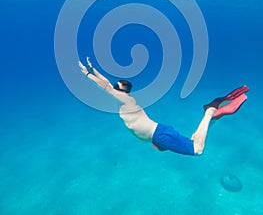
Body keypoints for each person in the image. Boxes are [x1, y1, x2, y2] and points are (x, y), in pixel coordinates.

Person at [78, 58, 249, 156]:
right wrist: (93, 68)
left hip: (159, 135)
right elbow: (107, 83)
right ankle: (212, 117)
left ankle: (209, 112)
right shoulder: (123, 98)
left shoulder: (126, 100)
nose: (114, 87)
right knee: (192, 141)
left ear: (123, 90)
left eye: (117, 86)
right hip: (158, 136)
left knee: (198, 150)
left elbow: (106, 87)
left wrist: (86, 74)